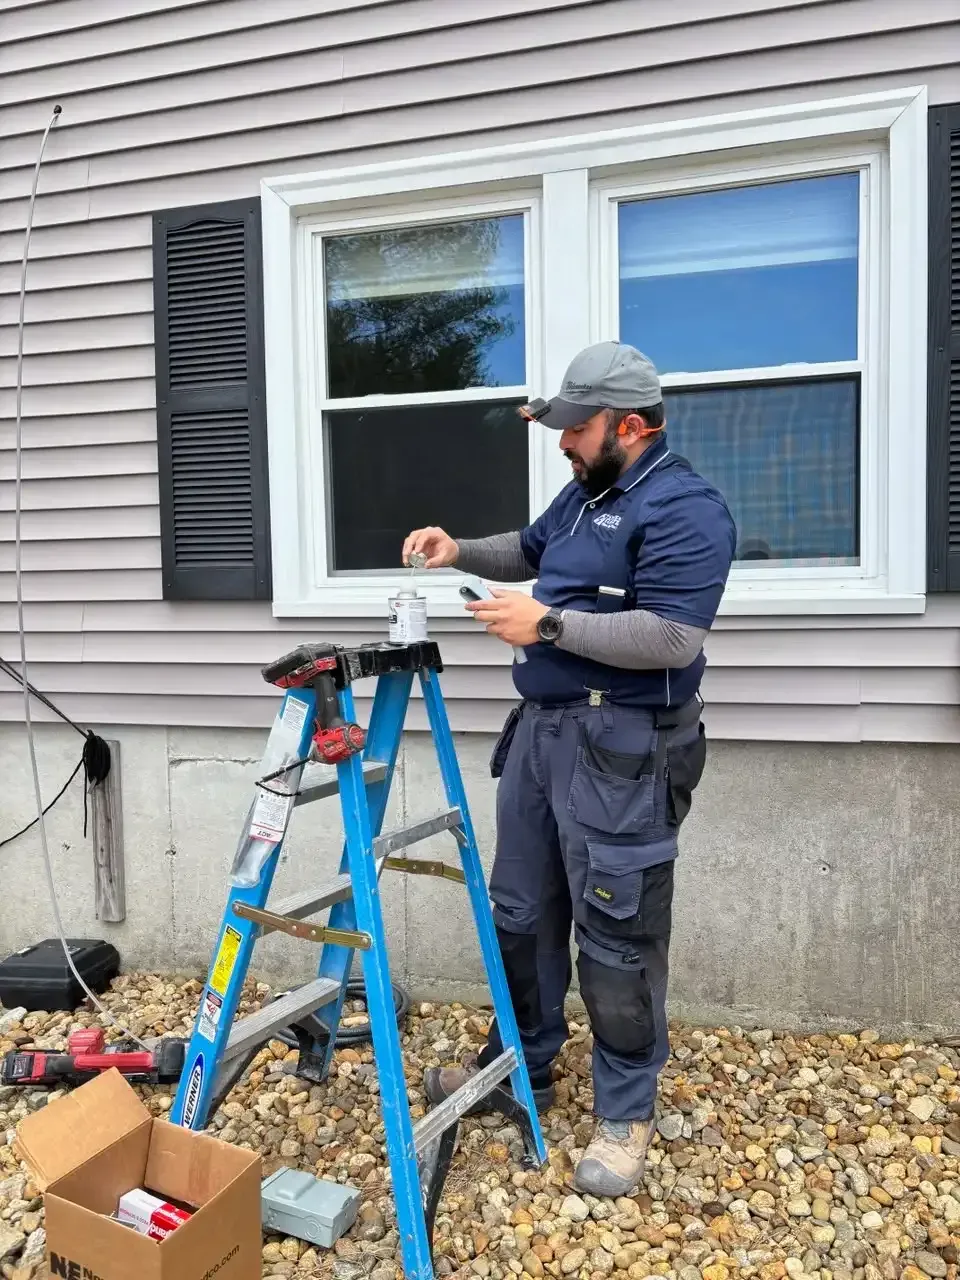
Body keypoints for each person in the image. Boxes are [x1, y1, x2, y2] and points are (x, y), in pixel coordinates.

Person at [402, 341, 736, 1197]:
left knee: (618, 932)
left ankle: (626, 1110)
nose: (561, 443)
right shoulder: (584, 495)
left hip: (624, 749)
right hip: (543, 739)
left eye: (575, 429)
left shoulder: (687, 509)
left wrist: (548, 628)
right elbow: (528, 549)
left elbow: (670, 637)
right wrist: (458, 551)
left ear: (629, 425)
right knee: (521, 911)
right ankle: (524, 1065)